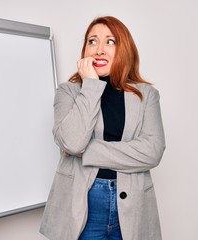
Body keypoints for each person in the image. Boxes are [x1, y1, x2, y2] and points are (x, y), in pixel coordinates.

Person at [40, 16, 166, 240]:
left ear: (124, 49)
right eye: (92, 41)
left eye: (110, 41)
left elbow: (152, 151)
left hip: (134, 204)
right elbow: (72, 141)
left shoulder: (147, 95)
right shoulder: (68, 92)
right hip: (83, 201)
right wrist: (90, 85)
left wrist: (86, 151)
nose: (99, 50)